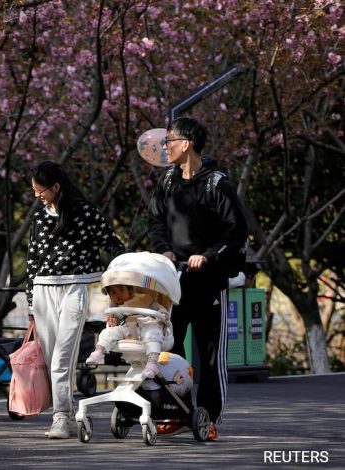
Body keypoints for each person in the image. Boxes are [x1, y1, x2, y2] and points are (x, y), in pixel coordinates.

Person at [147, 117, 248, 441]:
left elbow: (236, 232)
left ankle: (208, 416)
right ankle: (175, 412)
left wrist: (208, 255)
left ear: (186, 143)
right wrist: (163, 251)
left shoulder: (217, 185)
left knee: (209, 355)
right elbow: (156, 222)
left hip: (209, 282)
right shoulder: (166, 182)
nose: (165, 147)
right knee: (168, 350)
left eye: (169, 141)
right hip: (173, 283)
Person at [26, 160, 126, 439]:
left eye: (40, 190)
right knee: (50, 359)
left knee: (62, 357)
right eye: (34, 191)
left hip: (75, 289)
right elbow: (31, 260)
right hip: (43, 289)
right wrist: (30, 303)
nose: (38, 196)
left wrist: (128, 269)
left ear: (56, 187)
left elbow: (112, 243)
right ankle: (66, 416)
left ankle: (59, 417)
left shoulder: (85, 212)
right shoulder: (39, 217)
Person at [85, 284, 171, 379]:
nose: (119, 294)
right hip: (126, 331)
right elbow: (116, 324)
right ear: (110, 296)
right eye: (113, 292)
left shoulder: (143, 299)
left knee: (153, 332)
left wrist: (163, 313)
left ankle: (152, 363)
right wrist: (113, 322)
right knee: (108, 332)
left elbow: (157, 307)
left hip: (146, 325)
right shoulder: (116, 309)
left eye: (121, 290)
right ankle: (99, 352)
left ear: (129, 290)